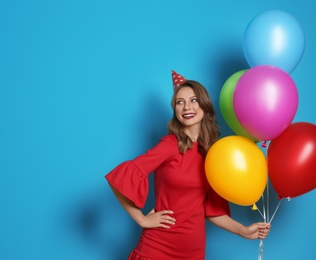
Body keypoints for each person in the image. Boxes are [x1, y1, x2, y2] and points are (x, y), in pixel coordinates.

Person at [105, 70, 271, 260]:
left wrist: (242, 230)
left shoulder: (212, 153)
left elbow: (211, 210)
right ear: (175, 110)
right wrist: (141, 219)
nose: (186, 107)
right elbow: (121, 177)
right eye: (180, 102)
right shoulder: (170, 144)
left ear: (204, 105)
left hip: (193, 252)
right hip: (158, 248)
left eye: (193, 100)